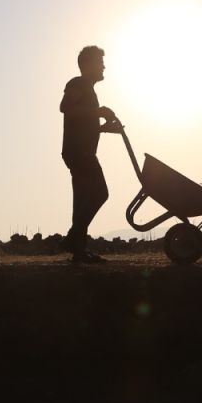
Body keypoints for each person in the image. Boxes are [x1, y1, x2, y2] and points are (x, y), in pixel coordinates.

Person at [60, 45, 121, 265]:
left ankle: (78, 251)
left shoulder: (88, 89)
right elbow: (65, 107)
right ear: (86, 65)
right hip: (80, 152)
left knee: (83, 199)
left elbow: (82, 121)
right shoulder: (78, 84)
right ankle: (73, 238)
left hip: (79, 151)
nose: (103, 66)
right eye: (99, 61)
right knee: (99, 193)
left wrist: (104, 127)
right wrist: (99, 112)